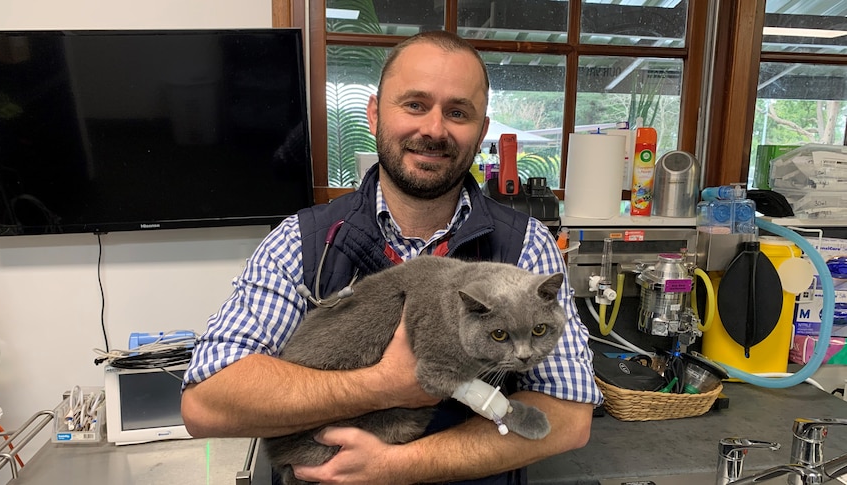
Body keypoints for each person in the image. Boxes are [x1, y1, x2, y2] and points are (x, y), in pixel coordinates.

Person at [182, 30, 603, 485]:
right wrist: (382, 385)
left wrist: (394, 467)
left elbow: (569, 416)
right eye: (415, 105)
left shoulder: (527, 246)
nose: (434, 129)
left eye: (458, 112)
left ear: (481, 132)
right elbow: (207, 404)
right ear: (374, 113)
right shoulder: (301, 241)